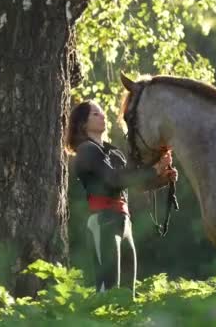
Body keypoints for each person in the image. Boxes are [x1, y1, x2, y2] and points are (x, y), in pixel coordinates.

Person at [66, 100, 177, 294]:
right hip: (103, 221)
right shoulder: (86, 151)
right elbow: (113, 180)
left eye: (102, 112)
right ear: (83, 124)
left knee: (127, 294)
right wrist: (155, 169)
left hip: (124, 223)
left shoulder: (113, 152)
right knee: (108, 292)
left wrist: (162, 178)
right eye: (95, 114)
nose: (102, 115)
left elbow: (134, 183)